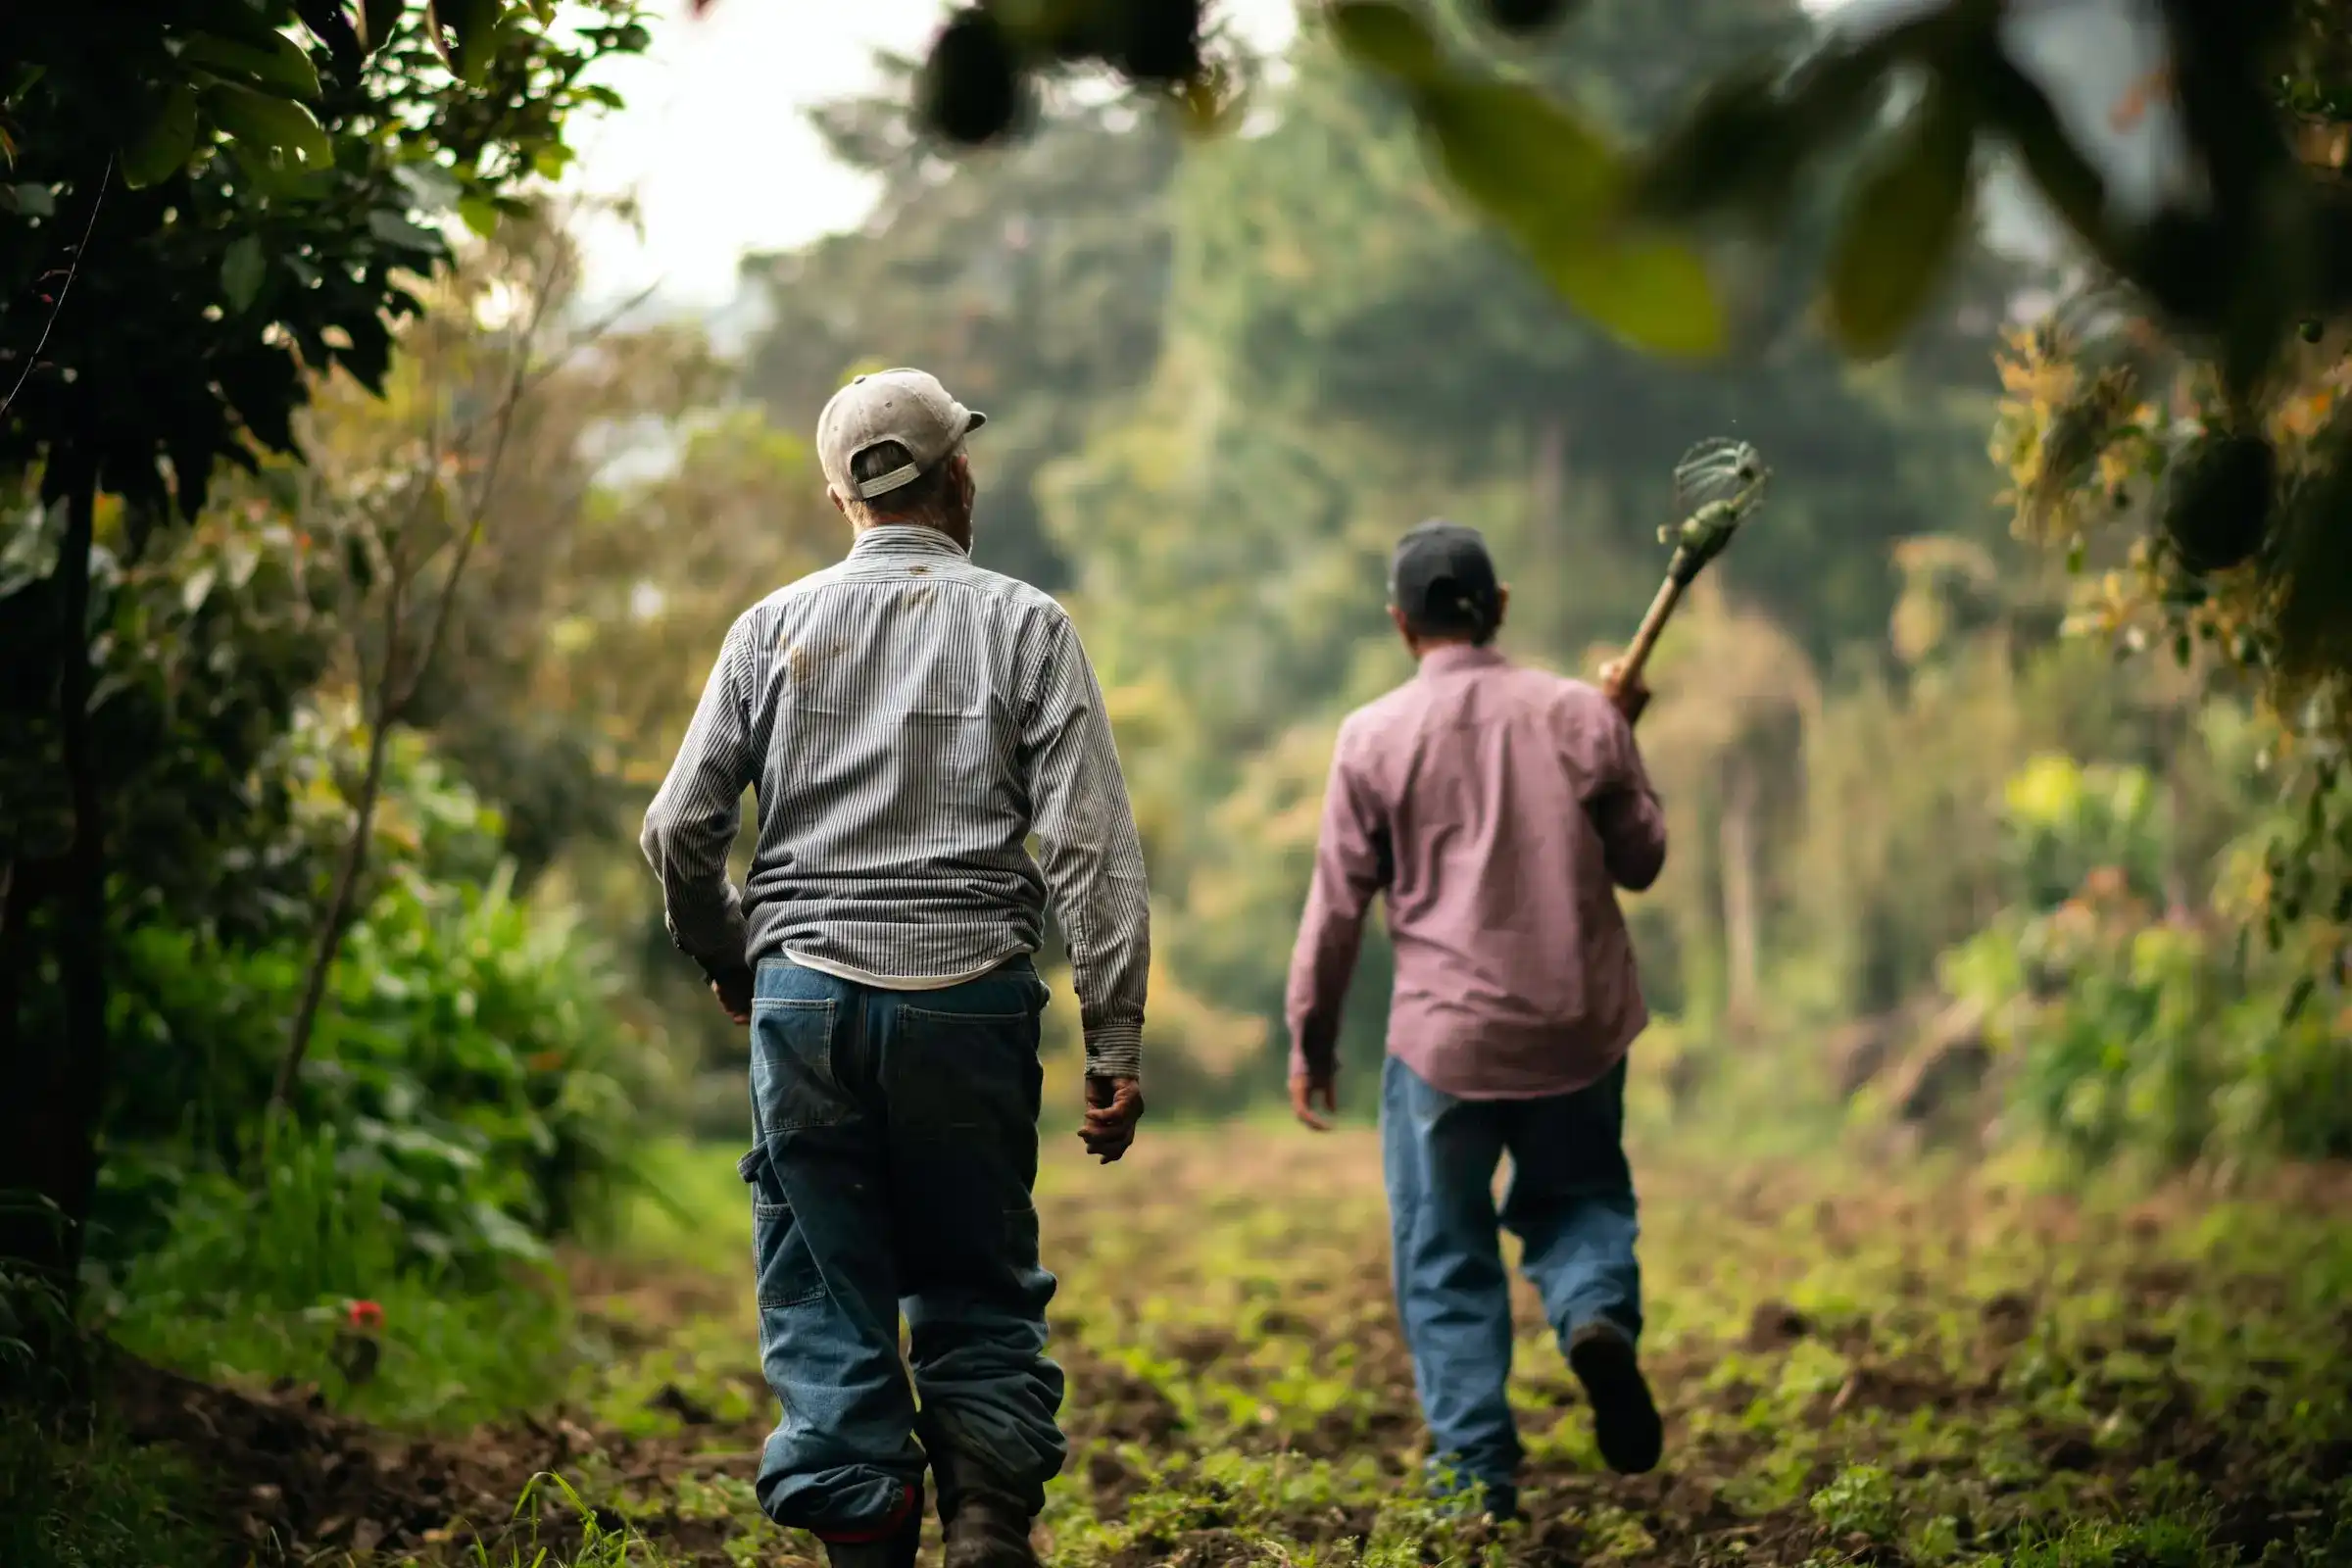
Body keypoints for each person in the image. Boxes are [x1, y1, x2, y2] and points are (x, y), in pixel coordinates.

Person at [640, 367, 1152, 1568]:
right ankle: (984, 1517)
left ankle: (868, 1529)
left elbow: (678, 828)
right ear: (958, 475)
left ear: (840, 498)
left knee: (826, 1284)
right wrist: (1113, 1039)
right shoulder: (1029, 624)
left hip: (805, 1002)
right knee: (975, 1270)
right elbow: (1090, 851)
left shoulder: (770, 629)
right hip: (969, 998)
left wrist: (732, 955)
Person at [1284, 518, 1668, 1520]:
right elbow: (1642, 860)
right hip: (1576, 1027)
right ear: (1498, 610)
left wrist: (1312, 1038)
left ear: (1400, 624)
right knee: (1580, 1195)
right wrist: (1620, 730)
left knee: (1444, 1248)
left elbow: (1336, 909)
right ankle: (1594, 1320)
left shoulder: (1370, 737)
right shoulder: (1579, 716)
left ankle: (1475, 1477)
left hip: (1443, 1044)